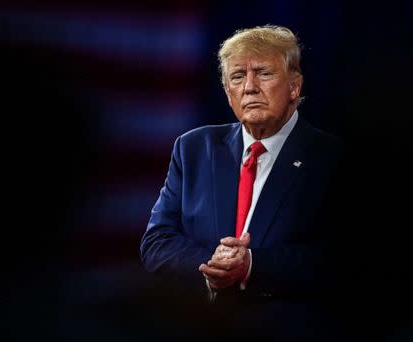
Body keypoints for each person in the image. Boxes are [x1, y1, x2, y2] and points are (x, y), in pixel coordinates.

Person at [140, 25, 343, 338]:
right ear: (227, 92)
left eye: (263, 73)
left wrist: (251, 264)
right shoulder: (194, 147)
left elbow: (343, 259)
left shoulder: (333, 159)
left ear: (293, 86)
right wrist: (212, 266)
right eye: (237, 76)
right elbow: (157, 242)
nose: (250, 87)